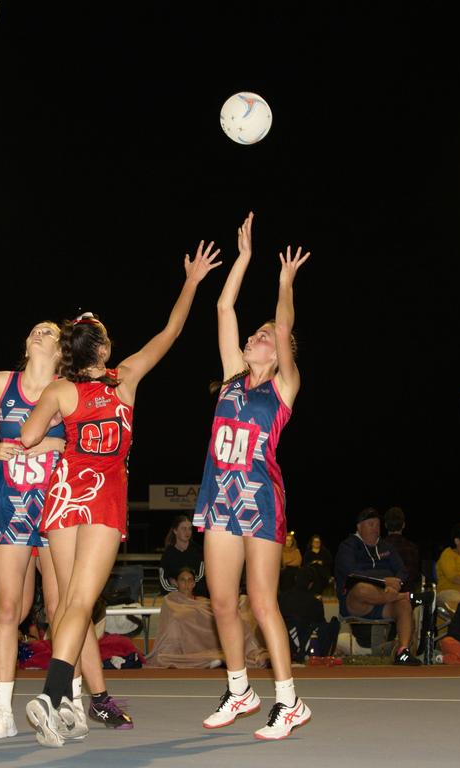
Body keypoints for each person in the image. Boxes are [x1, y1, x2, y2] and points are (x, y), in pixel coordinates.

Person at [20, 239, 220, 747]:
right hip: (104, 494)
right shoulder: (124, 380)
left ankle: (64, 703)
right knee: (82, 601)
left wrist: (59, 430)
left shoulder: (59, 392)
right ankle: (51, 694)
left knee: (67, 602)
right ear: (104, 350)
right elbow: (171, 331)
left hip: (65, 491)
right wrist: (191, 281)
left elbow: (25, 438)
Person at [0, 322, 132, 738]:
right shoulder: (3, 382)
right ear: (26, 342)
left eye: (52, 331)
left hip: (57, 504)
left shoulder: (69, 387)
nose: (44, 332)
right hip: (12, 503)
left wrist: (50, 445)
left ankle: (85, 698)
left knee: (67, 603)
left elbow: (79, 442)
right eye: (37, 329)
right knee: (13, 608)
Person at [189, 212, 313, 740]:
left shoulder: (284, 386)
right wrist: (242, 259)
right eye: (255, 333)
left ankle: (289, 701)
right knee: (221, 602)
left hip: (261, 499)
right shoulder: (230, 380)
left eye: (265, 335)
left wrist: (284, 283)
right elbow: (222, 306)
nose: (259, 335)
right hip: (219, 495)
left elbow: (283, 326)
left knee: (262, 601)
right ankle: (240, 689)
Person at [335, 507, 421, 665]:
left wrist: (397, 583)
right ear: (359, 527)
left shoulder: (385, 546)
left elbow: (402, 570)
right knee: (361, 588)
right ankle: (405, 595)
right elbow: (351, 573)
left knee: (403, 604)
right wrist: (384, 581)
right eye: (371, 525)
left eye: (378, 525)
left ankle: (403, 651)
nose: (376, 529)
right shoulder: (348, 546)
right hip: (357, 603)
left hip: (385, 600)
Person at [146, 567, 268, 669]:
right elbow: (173, 621)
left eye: (190, 580)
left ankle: (243, 652)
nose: (186, 584)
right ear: (176, 583)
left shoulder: (202, 601)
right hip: (184, 643)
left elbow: (211, 613)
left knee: (241, 619)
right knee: (162, 658)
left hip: (207, 636)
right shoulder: (171, 600)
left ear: (194, 584)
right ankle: (217, 658)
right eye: (183, 580)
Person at [160, 515, 204, 590]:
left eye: (189, 529)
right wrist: (178, 591)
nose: (187, 532)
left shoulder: (198, 551)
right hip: (175, 596)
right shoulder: (168, 554)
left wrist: (184, 586)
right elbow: (164, 581)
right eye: (184, 529)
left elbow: (200, 576)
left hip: (196, 596)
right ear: (175, 531)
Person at [383, 506, 420, 592]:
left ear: (385, 525)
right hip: (407, 594)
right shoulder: (412, 547)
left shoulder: (378, 547)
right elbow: (414, 575)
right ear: (403, 525)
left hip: (385, 593)